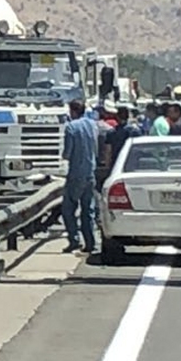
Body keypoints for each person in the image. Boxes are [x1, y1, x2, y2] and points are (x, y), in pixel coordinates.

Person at [61, 100, 98, 254]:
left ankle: (74, 239)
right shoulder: (92, 125)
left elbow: (67, 154)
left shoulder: (71, 127)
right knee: (88, 210)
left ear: (73, 111)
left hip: (76, 173)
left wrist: (64, 156)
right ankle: (90, 242)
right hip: (90, 172)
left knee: (68, 209)